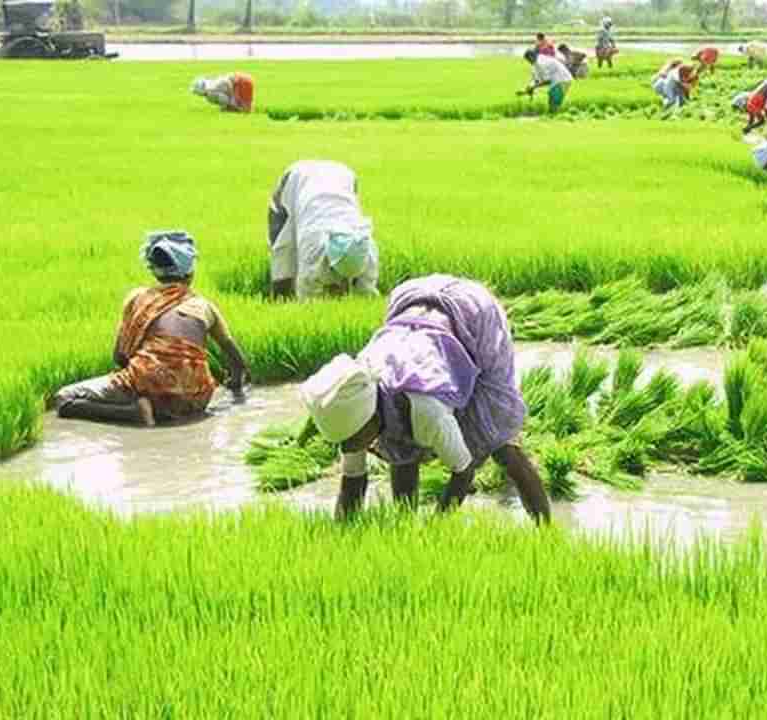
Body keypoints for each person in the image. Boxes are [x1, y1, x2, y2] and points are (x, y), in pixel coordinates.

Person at [298, 274, 552, 525]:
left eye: (353, 441)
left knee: (501, 446)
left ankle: (546, 529)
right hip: (413, 315)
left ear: (371, 419)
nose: (350, 447)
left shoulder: (426, 409)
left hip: (472, 318)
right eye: (345, 443)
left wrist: (436, 526)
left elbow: (463, 473)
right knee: (401, 452)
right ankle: (405, 521)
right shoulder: (353, 409)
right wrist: (341, 534)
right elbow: (352, 483)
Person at [54, 231, 249, 426]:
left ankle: (133, 413)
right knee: (163, 395)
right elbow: (238, 362)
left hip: (150, 385)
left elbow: (119, 357)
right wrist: (235, 384)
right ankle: (154, 409)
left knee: (64, 398)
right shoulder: (204, 306)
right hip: (197, 396)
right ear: (191, 273)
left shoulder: (138, 297)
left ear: (154, 271)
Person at [267, 160, 379, 301]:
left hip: (343, 178)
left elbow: (367, 295)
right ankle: (278, 306)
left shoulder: (367, 252)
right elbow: (308, 299)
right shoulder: (313, 249)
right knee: (283, 263)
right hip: (296, 180)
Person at [519, 49, 573, 114]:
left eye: (528, 59)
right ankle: (553, 116)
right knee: (551, 98)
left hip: (562, 79)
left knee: (554, 99)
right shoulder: (535, 63)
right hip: (555, 80)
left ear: (531, 57)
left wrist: (534, 87)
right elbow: (536, 79)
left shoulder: (541, 62)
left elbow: (547, 81)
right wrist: (527, 89)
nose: (528, 62)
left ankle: (555, 117)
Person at [190, 73, 254, 113]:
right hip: (243, 77)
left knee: (244, 110)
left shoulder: (210, 93)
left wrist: (233, 105)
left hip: (241, 82)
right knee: (243, 109)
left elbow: (226, 100)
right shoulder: (212, 84)